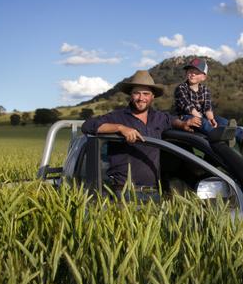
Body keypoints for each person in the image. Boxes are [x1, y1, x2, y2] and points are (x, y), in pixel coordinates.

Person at [81, 70, 200, 198]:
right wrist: (120, 128)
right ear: (130, 95)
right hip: (124, 192)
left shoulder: (158, 117)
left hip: (154, 191)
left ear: (152, 96)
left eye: (146, 94)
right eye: (136, 93)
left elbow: (171, 120)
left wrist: (183, 124)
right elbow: (87, 126)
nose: (141, 98)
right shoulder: (117, 117)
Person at [173, 57, 243, 148]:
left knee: (221, 120)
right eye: (190, 71)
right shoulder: (181, 88)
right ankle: (222, 137)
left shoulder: (205, 90)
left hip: (202, 117)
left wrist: (212, 119)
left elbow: (207, 108)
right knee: (203, 122)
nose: (192, 74)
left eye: (196, 72)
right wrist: (205, 120)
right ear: (186, 73)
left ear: (203, 77)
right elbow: (189, 107)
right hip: (186, 118)